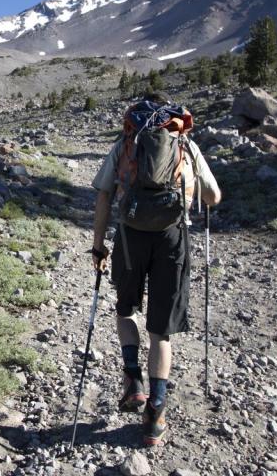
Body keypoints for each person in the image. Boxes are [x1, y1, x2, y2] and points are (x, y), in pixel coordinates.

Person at [90, 93, 221, 446]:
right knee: (160, 332)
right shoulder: (185, 144)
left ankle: (133, 379)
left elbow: (103, 195)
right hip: (172, 239)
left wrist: (98, 245)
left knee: (126, 308)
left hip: (131, 236)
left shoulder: (125, 143)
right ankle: (156, 412)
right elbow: (213, 197)